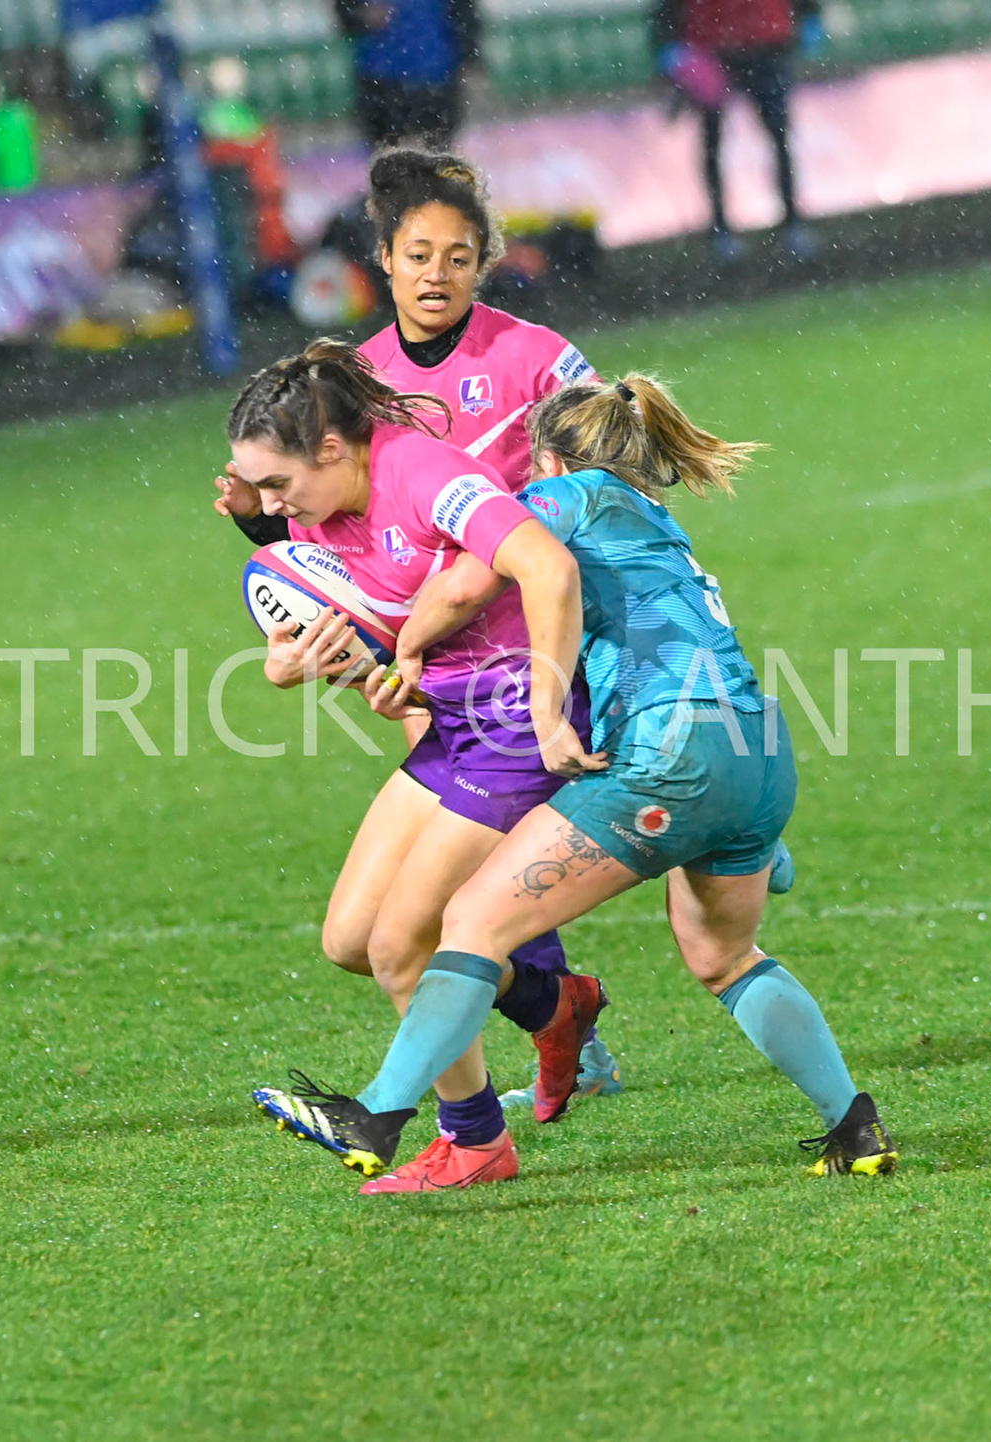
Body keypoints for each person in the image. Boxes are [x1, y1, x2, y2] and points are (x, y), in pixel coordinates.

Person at [276, 373, 892, 1192]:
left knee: (471, 922)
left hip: (670, 754)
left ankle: (378, 1113)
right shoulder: (659, 523)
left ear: (551, 461)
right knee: (724, 956)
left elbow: (465, 583)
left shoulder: (566, 496)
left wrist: (404, 650)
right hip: (758, 752)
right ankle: (855, 1124)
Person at [217, 147, 626, 1121]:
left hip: (527, 640)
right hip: (430, 655)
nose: (436, 274)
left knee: (450, 894)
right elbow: (335, 544)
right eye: (416, 255)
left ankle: (490, 1107)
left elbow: (607, 473)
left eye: (457, 256)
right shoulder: (351, 385)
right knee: (417, 904)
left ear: (484, 262)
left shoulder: (535, 358)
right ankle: (554, 1012)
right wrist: (267, 544)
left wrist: (533, 517)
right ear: (385, 260)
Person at [652, 0, 822, 263]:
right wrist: (669, 46)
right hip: (715, 49)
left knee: (776, 138)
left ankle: (791, 223)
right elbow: (666, 10)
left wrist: (809, 16)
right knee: (717, 142)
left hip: (763, 45)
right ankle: (723, 229)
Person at [331, 0, 478, 151]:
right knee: (388, 154)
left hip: (436, 80)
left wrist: (470, 61)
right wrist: (362, 16)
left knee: (435, 152)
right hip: (382, 83)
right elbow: (345, 14)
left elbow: (465, 18)